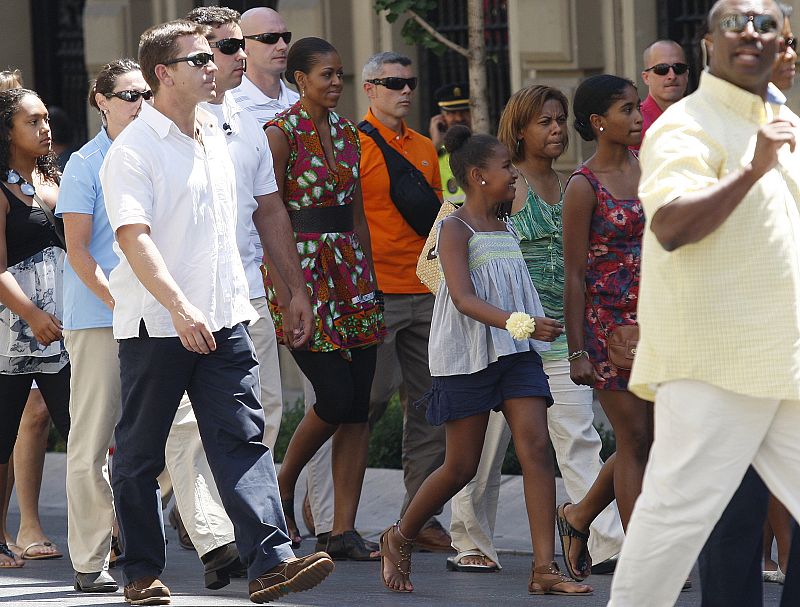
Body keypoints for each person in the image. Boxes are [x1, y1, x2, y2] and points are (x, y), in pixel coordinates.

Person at [100, 20, 332, 605]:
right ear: (163, 74)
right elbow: (134, 237)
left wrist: (293, 289)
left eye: (213, 56)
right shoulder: (133, 149)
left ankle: (272, 563)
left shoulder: (224, 130)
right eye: (198, 59)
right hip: (159, 326)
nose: (213, 66)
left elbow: (266, 211)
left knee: (244, 442)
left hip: (227, 317)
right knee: (140, 452)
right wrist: (179, 307)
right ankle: (140, 572)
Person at [607, 0, 800, 604]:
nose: (752, 34)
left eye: (767, 27)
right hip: (715, 366)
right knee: (668, 528)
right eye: (735, 25)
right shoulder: (684, 125)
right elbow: (669, 225)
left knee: (669, 525)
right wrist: (751, 169)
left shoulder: (781, 118)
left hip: (783, 361)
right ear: (706, 45)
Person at [60, 56, 250, 593]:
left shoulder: (176, 141)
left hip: (168, 317)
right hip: (104, 316)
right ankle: (92, 556)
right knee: (97, 442)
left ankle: (215, 543)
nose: (140, 102)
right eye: (128, 95)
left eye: (145, 92)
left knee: (185, 435)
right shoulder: (87, 161)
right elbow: (80, 250)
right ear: (101, 101)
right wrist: (117, 302)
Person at [378, 124, 592, 596]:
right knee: (461, 466)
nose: (513, 174)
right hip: (468, 356)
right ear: (477, 176)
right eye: (504, 168)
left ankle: (543, 569)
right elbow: (463, 297)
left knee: (536, 449)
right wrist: (523, 323)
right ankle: (400, 535)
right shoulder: (455, 227)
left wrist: (535, 326)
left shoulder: (507, 224)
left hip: (515, 355)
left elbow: (513, 285)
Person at [442, 84, 626, 574]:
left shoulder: (571, 186)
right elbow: (477, 246)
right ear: (519, 130)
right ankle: (471, 541)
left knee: (578, 436)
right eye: (544, 121)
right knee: (482, 452)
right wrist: (509, 322)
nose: (557, 129)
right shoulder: (505, 184)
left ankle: (606, 541)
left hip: (561, 334)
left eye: (561, 119)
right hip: (505, 335)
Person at [265, 36, 386, 560]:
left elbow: (357, 212)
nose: (336, 83)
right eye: (326, 75)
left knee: (357, 406)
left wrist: (369, 276)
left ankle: (341, 529)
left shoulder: (349, 133)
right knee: (333, 397)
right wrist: (290, 289)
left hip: (350, 272)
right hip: (301, 274)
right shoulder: (279, 133)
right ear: (300, 79)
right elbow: (266, 217)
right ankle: (284, 483)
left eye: (340, 75)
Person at [697, 2, 798, 604]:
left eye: (785, 42)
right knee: (735, 516)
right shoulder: (698, 127)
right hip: (731, 350)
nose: (785, 54)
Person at [559, 74, 652, 582]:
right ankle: (643, 560)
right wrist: (578, 351)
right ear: (598, 121)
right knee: (634, 435)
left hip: (658, 317)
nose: (638, 119)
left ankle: (577, 516)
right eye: (627, 110)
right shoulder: (583, 184)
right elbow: (573, 273)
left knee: (653, 438)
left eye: (638, 110)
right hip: (608, 325)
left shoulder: (650, 168)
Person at [0, 87, 71, 569]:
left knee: (79, 428)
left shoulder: (55, 178)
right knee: (2, 437)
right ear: (7, 132)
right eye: (33, 121)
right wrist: (32, 315)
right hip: (11, 332)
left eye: (46, 119)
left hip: (64, 333)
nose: (46, 128)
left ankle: (106, 534)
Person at [635, 39, 690, 148]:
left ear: (687, 74)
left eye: (678, 68)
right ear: (646, 78)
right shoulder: (635, 124)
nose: (672, 76)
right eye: (662, 69)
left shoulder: (703, 117)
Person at [430, 82, 470, 203]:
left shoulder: (486, 146)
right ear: (441, 118)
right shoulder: (434, 150)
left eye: (464, 111)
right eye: (452, 113)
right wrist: (435, 145)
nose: (459, 118)